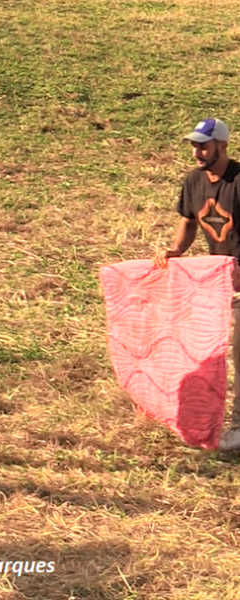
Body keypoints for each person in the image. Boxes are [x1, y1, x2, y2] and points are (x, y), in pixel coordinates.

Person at [153, 118, 240, 452]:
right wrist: (177, 251)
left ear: (223, 146)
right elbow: (188, 221)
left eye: (204, 145)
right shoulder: (193, 181)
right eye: (194, 145)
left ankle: (239, 425)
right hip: (216, 281)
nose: (197, 151)